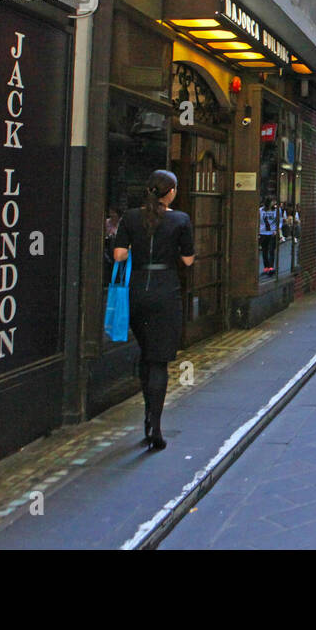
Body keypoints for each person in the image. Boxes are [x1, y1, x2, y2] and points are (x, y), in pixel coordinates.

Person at [112, 170, 195, 451]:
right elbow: (187, 259)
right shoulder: (180, 220)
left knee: (146, 354)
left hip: (137, 291)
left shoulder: (131, 217)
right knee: (158, 361)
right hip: (165, 292)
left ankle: (148, 416)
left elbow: (119, 255)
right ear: (170, 192)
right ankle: (154, 425)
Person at [259, 197, 280, 275]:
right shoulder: (260, 211)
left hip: (272, 233)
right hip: (263, 232)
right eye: (272, 202)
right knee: (264, 251)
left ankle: (271, 267)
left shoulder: (276, 210)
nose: (274, 203)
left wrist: (277, 229)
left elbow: (279, 220)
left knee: (271, 250)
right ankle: (266, 267)